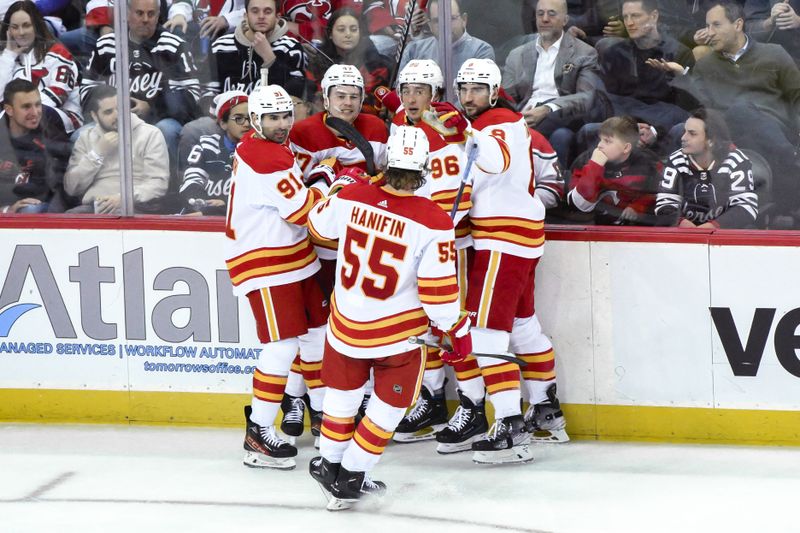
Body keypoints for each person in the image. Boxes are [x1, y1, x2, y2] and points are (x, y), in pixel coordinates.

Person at [306, 125, 472, 510]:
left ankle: (329, 464)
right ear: (424, 168)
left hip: (345, 326)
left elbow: (317, 226)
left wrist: (341, 189)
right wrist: (456, 330)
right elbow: (439, 292)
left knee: (342, 398)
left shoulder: (353, 196)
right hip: (398, 336)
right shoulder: (433, 220)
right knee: (389, 407)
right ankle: (351, 474)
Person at [456, 58, 571, 463]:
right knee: (523, 326)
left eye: (476, 89)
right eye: (463, 89)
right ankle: (545, 411)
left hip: (500, 238)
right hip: (520, 236)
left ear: (493, 90)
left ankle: (508, 427)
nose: (468, 97)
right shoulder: (500, 120)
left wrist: (462, 133)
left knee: (487, 332)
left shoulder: (497, 122)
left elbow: (496, 160)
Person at [224, 83, 328, 470]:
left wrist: (314, 176)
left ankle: (322, 415)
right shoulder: (262, 154)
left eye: (286, 115)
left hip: (293, 254)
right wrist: (327, 182)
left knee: (318, 334)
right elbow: (302, 212)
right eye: (272, 118)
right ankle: (259, 432)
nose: (282, 124)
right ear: (255, 120)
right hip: (264, 261)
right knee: (282, 346)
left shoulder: (268, 146)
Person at [284, 63, 388, 439]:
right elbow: (297, 188)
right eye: (340, 96)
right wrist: (331, 181)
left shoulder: (376, 128)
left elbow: (390, 179)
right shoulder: (302, 131)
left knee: (355, 328)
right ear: (325, 98)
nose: (347, 103)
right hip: (319, 246)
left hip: (361, 246)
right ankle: (295, 396)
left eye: (354, 96)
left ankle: (355, 398)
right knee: (314, 329)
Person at [651, 1, 800, 219]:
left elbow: (797, 97)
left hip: (773, 129)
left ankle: (793, 165)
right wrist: (683, 76)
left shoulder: (774, 54)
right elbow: (699, 108)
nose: (709, 33)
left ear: (738, 24)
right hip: (726, 130)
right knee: (680, 130)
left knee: (741, 111)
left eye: (716, 25)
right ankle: (675, 211)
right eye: (707, 26)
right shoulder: (706, 64)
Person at [80, 0, 202, 178]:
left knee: (166, 130)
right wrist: (111, 110)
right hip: (111, 122)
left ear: (158, 16)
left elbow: (192, 95)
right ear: (127, 14)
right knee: (80, 136)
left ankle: (171, 193)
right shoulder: (106, 44)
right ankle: (96, 198)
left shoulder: (173, 44)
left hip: (158, 121)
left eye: (151, 14)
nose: (145, 19)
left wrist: (152, 107)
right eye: (139, 13)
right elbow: (86, 90)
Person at [577, 0, 695, 153]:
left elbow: (687, 109)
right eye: (625, 17)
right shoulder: (614, 52)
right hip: (621, 123)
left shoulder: (679, 53)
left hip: (661, 126)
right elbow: (606, 99)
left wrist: (654, 130)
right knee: (588, 129)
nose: (629, 23)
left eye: (636, 16)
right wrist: (629, 126)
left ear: (653, 16)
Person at [502, 0, 605, 167]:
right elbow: (506, 96)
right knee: (559, 136)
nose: (544, 19)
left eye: (552, 14)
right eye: (540, 14)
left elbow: (586, 98)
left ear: (565, 20)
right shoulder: (517, 54)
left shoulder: (585, 53)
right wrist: (514, 117)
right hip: (524, 115)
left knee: (558, 132)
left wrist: (546, 109)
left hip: (562, 114)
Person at [63, 85, 169, 214]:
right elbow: (72, 188)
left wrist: (125, 198)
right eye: (108, 112)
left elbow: (158, 184)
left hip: (137, 206)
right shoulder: (86, 137)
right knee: (69, 219)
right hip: (94, 207)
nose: (117, 115)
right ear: (95, 116)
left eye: (121, 108)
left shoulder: (150, 134)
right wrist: (97, 153)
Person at [655, 108, 758, 228]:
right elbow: (665, 203)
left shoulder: (736, 161)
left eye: (692, 133)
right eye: (684, 132)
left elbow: (746, 207)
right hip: (684, 236)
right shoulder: (676, 160)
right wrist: (680, 222)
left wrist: (713, 226)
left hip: (722, 236)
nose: (683, 138)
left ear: (711, 140)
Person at [0, 1, 82, 135]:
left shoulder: (58, 53)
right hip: (17, 122)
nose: (21, 32)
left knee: (40, 114)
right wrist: (10, 54)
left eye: (26, 26)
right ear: (9, 31)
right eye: (15, 27)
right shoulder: (6, 58)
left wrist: (20, 111)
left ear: (36, 26)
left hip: (60, 118)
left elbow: (58, 94)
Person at [568, 116, 663, 225]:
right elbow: (580, 204)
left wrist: (638, 207)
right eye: (600, 139)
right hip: (590, 229)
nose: (599, 145)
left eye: (607, 141)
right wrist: (594, 167)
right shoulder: (585, 161)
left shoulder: (649, 163)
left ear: (626, 148)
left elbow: (658, 193)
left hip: (634, 230)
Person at [0, 79, 70, 213]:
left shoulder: (50, 127)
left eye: (38, 105)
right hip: (8, 212)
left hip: (44, 205)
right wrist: (7, 210)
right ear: (9, 110)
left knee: (32, 210)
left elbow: (63, 178)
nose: (35, 112)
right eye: (26, 107)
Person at [306, 7, 392, 115]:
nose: (348, 34)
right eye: (341, 30)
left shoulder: (375, 63)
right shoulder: (318, 62)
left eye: (354, 29)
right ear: (330, 34)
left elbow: (381, 97)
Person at [178, 90, 249, 216]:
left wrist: (224, 204)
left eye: (251, 118)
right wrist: (203, 205)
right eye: (239, 119)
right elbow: (191, 181)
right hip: (205, 213)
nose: (247, 124)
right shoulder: (206, 145)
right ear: (223, 123)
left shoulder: (261, 149)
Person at [398, 0, 495, 76]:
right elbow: (401, 92)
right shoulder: (414, 50)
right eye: (437, 21)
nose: (445, 25)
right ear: (430, 25)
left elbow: (476, 96)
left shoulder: (481, 50)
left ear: (464, 20)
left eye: (451, 18)